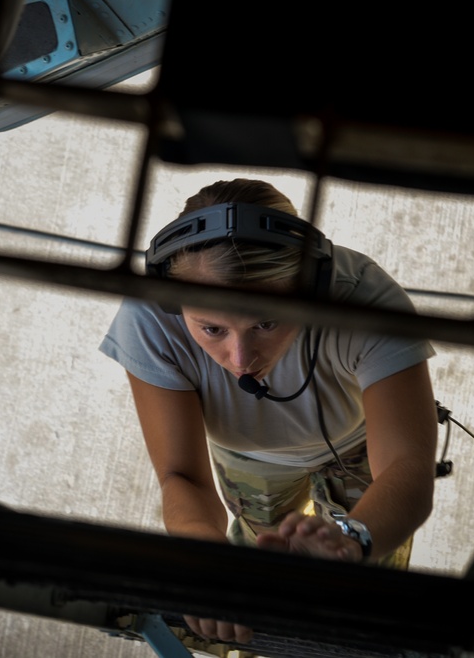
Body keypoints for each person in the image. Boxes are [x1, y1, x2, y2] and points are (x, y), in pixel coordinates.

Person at [99, 178, 439, 644]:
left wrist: (351, 543)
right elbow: (182, 477)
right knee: (260, 562)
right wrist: (210, 568)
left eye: (266, 323)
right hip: (247, 458)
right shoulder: (148, 318)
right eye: (212, 328)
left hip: (359, 444)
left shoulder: (364, 299)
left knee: (363, 585)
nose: (241, 359)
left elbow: (407, 468)